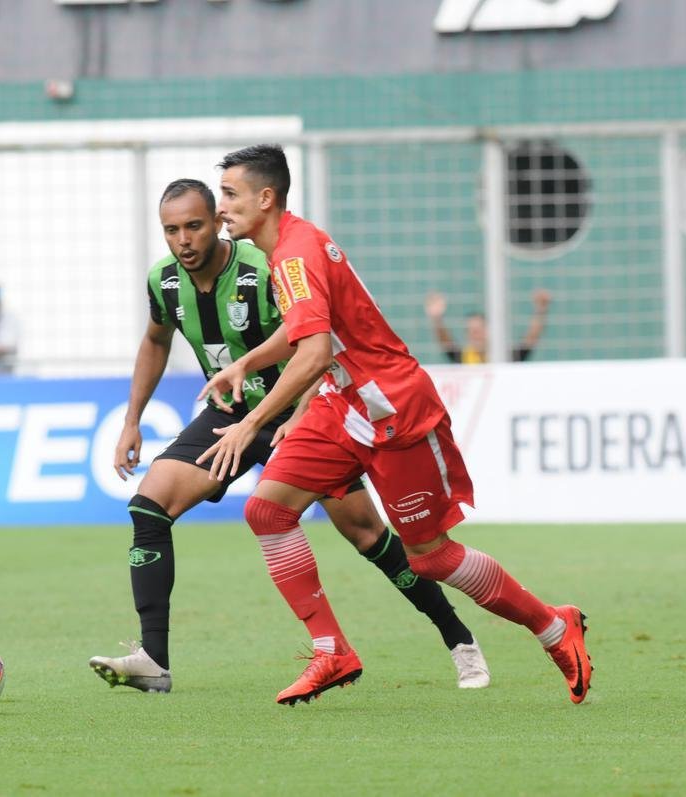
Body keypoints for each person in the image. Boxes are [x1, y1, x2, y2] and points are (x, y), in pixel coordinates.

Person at [199, 144, 592, 706]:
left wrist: (252, 422)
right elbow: (311, 333)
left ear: (266, 198)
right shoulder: (291, 245)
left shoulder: (293, 256)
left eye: (231, 195)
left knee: (430, 556)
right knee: (268, 510)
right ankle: (332, 651)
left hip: (393, 411)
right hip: (342, 405)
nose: (223, 209)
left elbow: (311, 356)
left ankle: (553, 626)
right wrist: (247, 362)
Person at [87, 179, 489, 693]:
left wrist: (299, 417)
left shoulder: (262, 271)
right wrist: (131, 419)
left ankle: (458, 638)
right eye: (171, 230)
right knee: (148, 507)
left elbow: (313, 345)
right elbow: (154, 340)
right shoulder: (164, 282)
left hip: (301, 412)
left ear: (216, 222)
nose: (183, 240)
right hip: (228, 416)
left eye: (194, 226)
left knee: (366, 534)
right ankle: (154, 660)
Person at [425, 289, 552, 363]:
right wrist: (437, 318)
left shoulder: (505, 357)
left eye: (479, 330)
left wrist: (541, 310)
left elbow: (530, 341)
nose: (475, 334)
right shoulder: (464, 358)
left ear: (489, 330)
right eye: (471, 331)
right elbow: (446, 344)